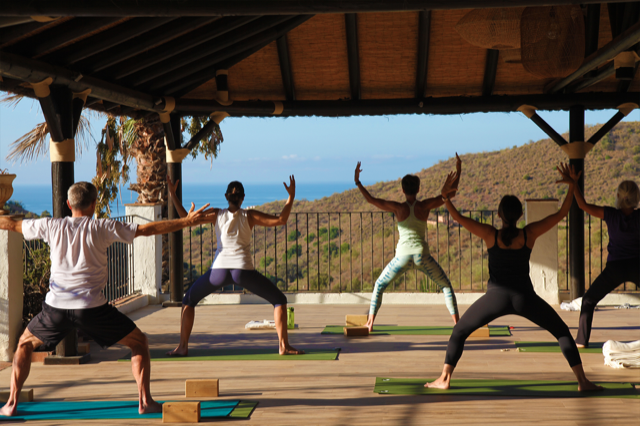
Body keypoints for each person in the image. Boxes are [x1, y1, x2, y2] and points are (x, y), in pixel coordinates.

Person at [0, 182, 214, 417]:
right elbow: (147, 229)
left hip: (56, 308)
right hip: (92, 309)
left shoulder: (51, 225)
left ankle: (11, 403)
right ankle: (145, 402)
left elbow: (10, 224)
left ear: (69, 204)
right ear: (94, 204)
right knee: (139, 343)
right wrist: (186, 222)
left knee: (24, 344)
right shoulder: (104, 227)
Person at [426, 164, 602, 392]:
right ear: (520, 215)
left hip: (495, 298)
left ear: (498, 214)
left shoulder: (491, 234)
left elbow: (458, 217)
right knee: (561, 332)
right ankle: (582, 382)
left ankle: (444, 379)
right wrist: (572, 185)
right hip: (524, 298)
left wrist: (445, 197)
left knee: (459, 331)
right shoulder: (529, 233)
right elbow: (561, 214)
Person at [166, 175, 303, 356]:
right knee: (279, 300)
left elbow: (185, 218)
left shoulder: (216, 214)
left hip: (218, 271)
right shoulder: (250, 215)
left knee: (188, 301)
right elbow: (281, 220)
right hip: (243, 270)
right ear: (243, 198)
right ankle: (283, 346)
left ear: (226, 197)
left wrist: (172, 194)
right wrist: (291, 197)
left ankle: (183, 347)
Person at [354, 156, 461, 332]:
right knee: (446, 286)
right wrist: (458, 170)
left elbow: (371, 200)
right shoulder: (425, 206)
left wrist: (358, 182)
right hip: (422, 256)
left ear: (403, 190)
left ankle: (370, 323)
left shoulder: (398, 208)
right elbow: (451, 194)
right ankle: (458, 325)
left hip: (402, 257)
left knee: (379, 285)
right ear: (418, 189)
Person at [568, 172, 640, 348]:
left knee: (588, 300)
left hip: (615, 268)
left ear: (618, 196)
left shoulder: (610, 214)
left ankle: (581, 340)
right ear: (636, 197)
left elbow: (583, 205)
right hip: (637, 266)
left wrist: (573, 184)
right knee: (588, 299)